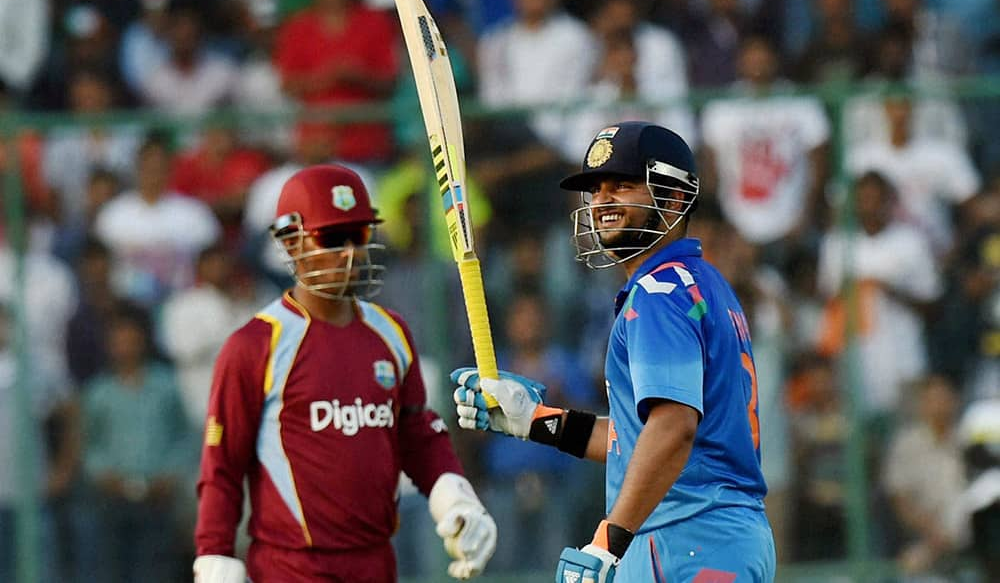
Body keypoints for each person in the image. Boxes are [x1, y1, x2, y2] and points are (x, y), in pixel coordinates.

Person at [452, 121, 775, 582]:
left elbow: (673, 428)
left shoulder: (659, 293)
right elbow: (637, 437)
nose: (603, 200)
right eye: (597, 188)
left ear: (674, 199)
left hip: (685, 534)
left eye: (623, 185)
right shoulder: (701, 282)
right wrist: (534, 420)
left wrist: (607, 540)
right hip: (708, 533)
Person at [194, 164, 496, 582]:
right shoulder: (254, 345)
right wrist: (215, 554)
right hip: (292, 569)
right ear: (292, 243)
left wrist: (453, 494)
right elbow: (222, 465)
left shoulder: (391, 332)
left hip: (376, 564)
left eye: (359, 234)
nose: (350, 252)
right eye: (333, 238)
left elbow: (416, 433)